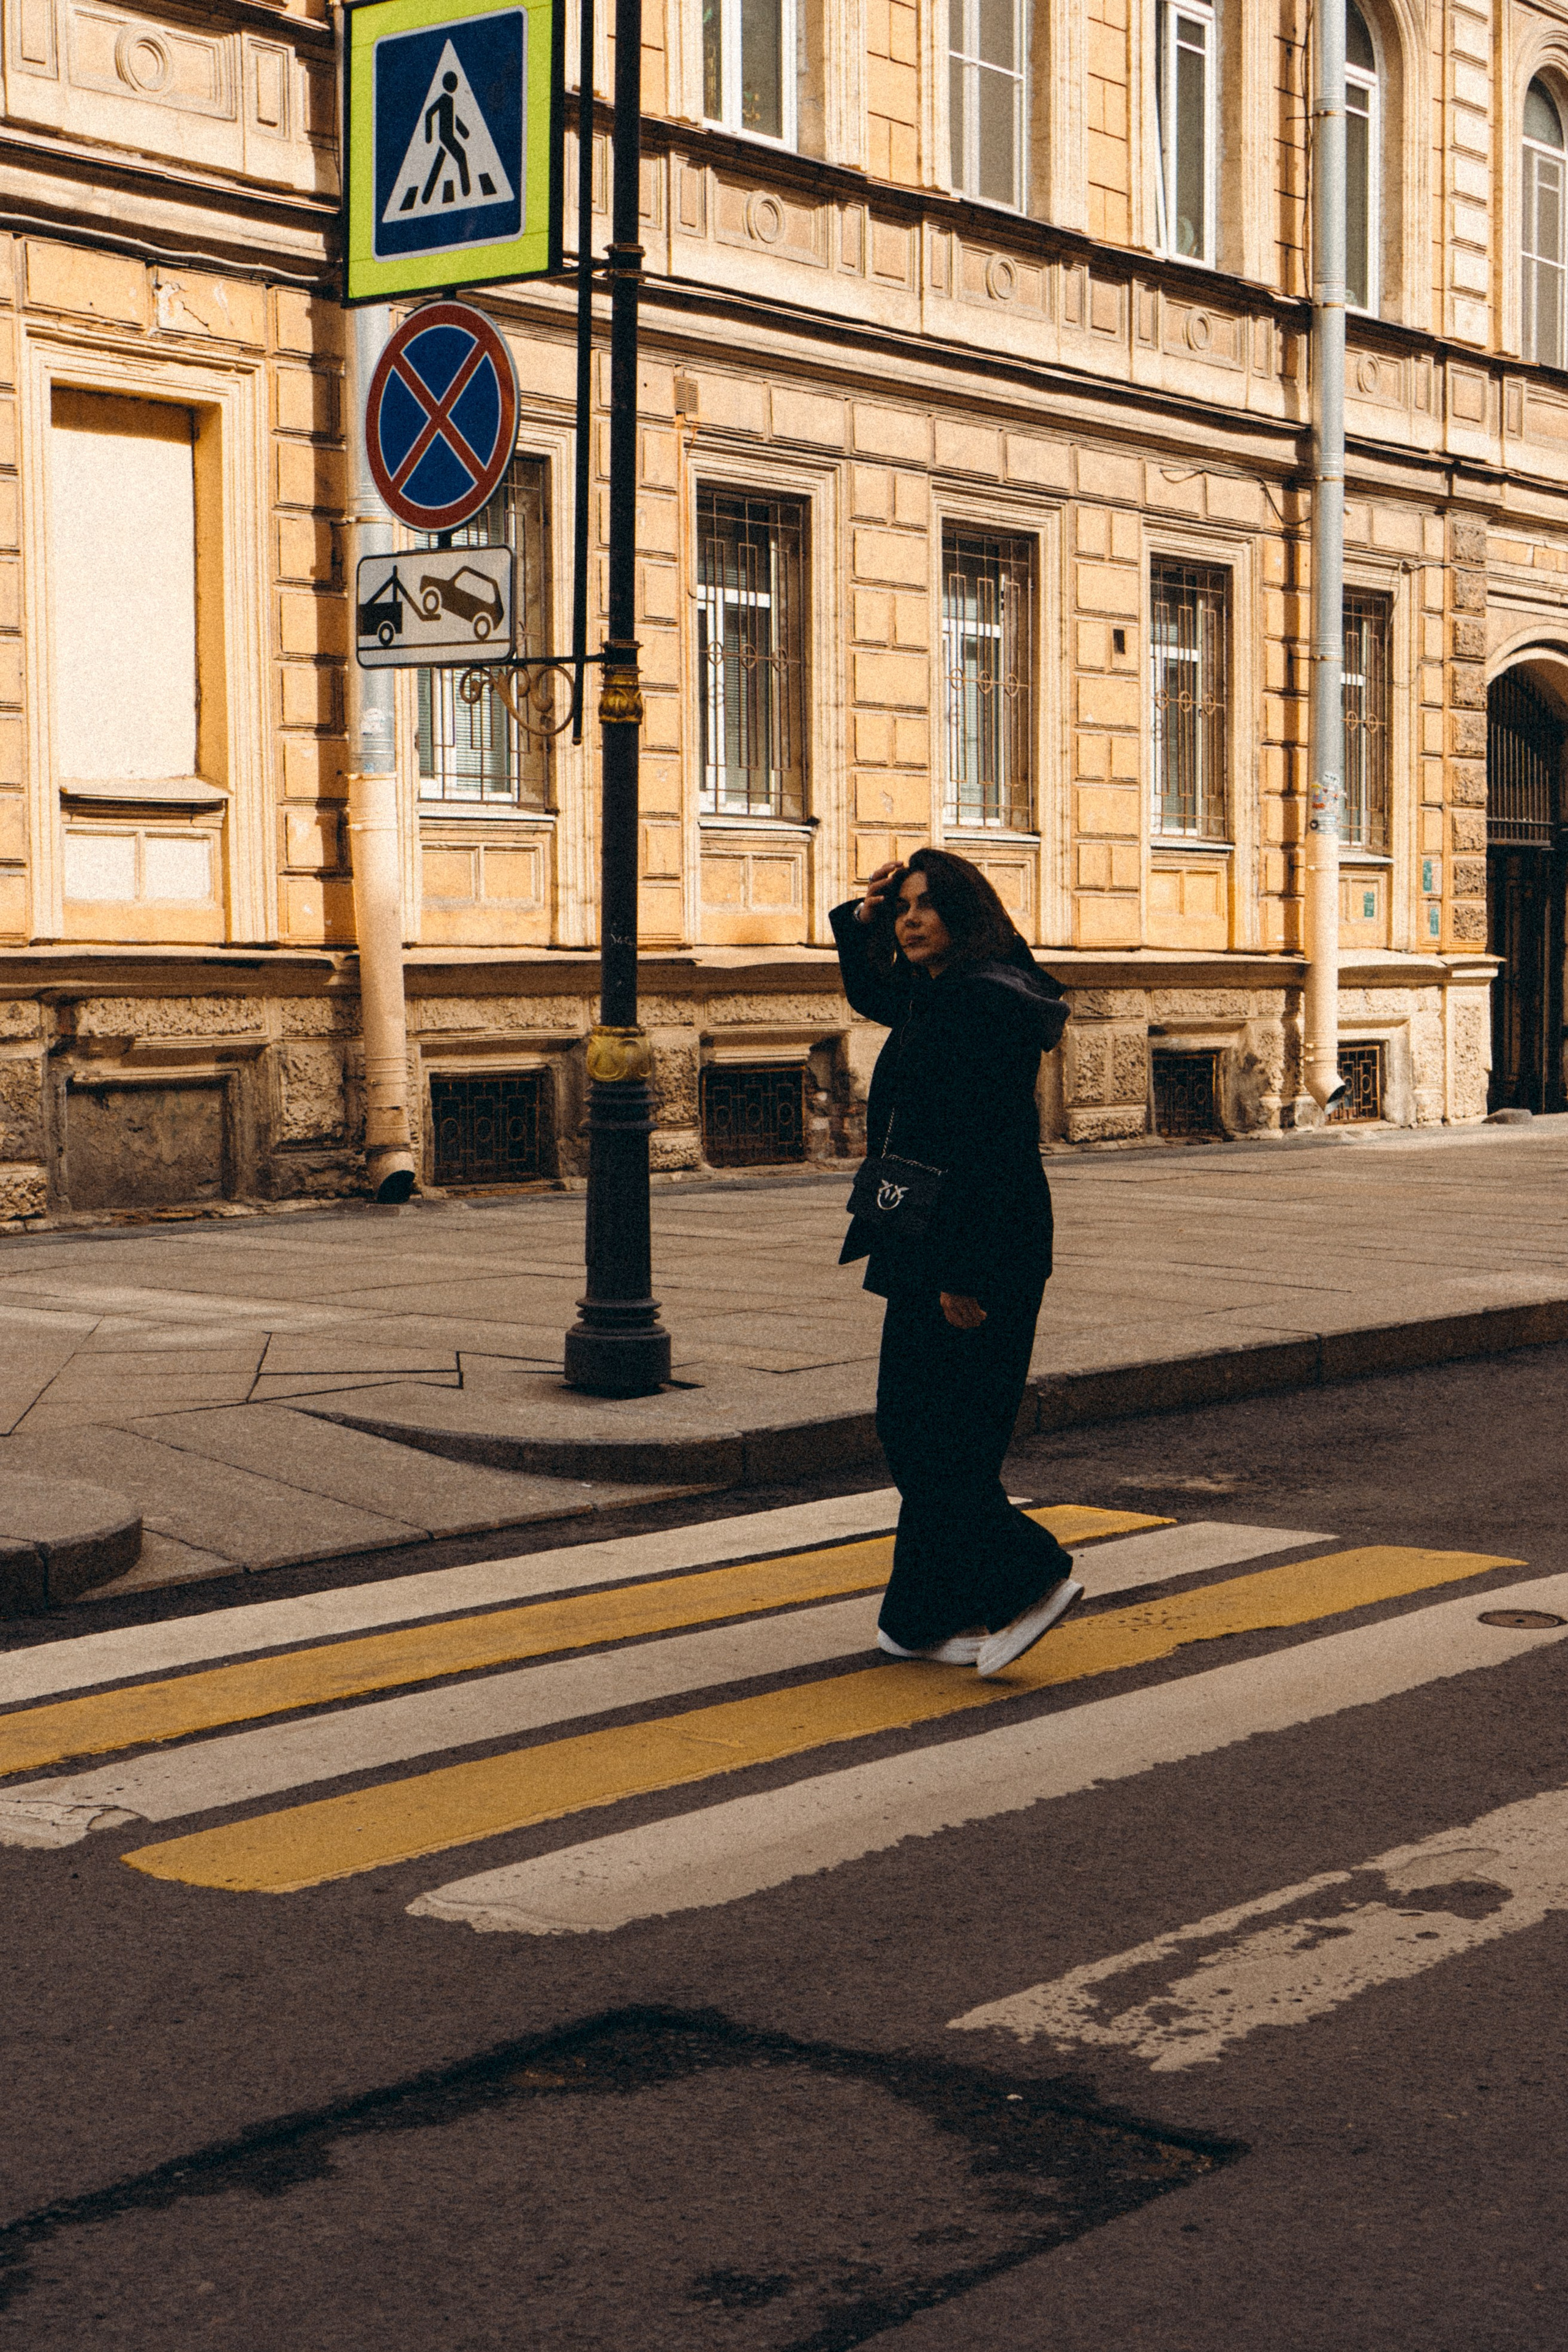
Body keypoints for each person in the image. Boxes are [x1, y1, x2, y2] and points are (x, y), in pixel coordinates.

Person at [832, 848, 1079, 1678]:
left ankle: (1030, 1573)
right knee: (927, 1432)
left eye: (925, 905)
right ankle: (921, 1616)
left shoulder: (981, 1007)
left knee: (935, 1439)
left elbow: (991, 1147)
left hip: (975, 1249)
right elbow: (873, 992)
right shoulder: (946, 993)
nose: (909, 918)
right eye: (902, 905)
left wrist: (965, 1273)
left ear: (964, 915)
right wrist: (861, 917)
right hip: (927, 1239)